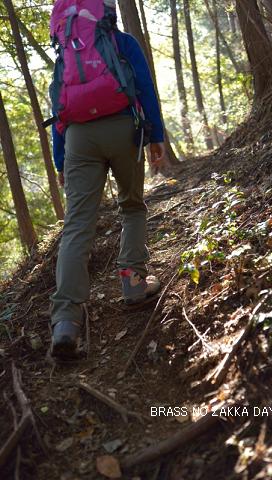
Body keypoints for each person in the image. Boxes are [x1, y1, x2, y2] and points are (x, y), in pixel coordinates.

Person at [50, 0, 166, 359]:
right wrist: (156, 136)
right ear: (106, 13)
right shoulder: (123, 43)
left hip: (78, 139)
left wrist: (61, 159)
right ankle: (133, 284)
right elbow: (145, 87)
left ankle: (66, 320)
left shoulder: (65, 57)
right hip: (123, 127)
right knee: (131, 206)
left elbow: (58, 106)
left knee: (77, 225)